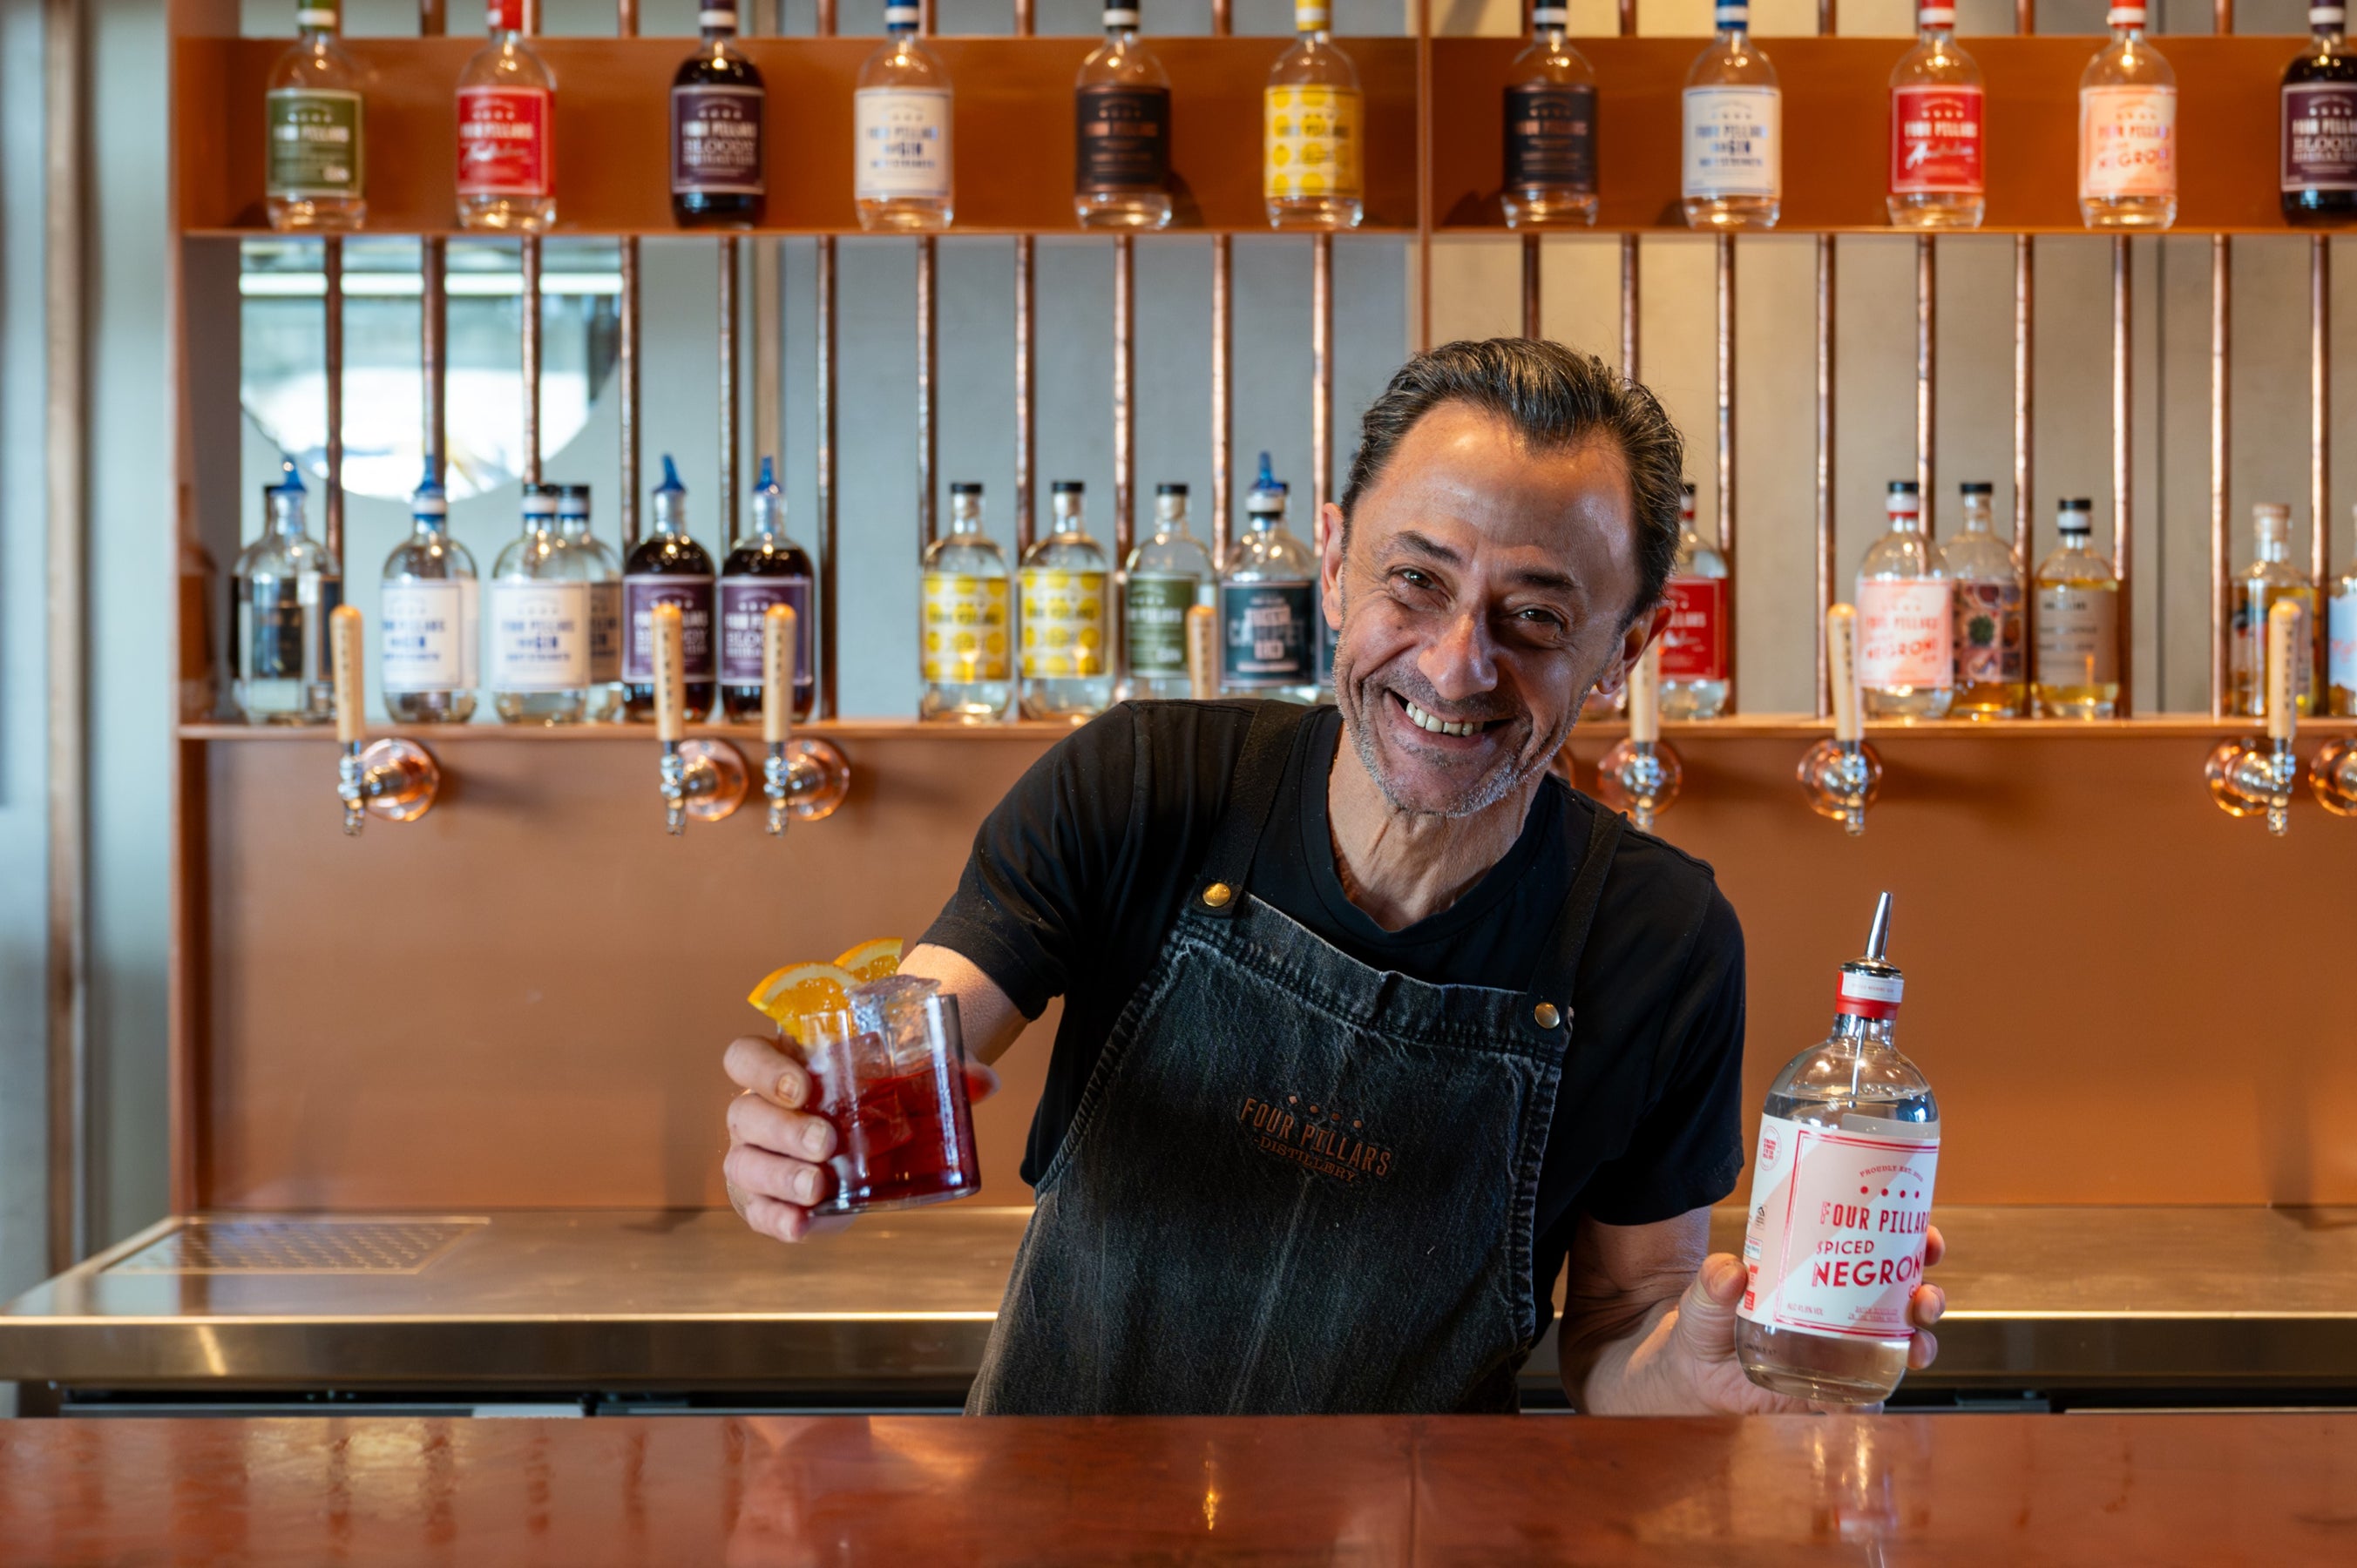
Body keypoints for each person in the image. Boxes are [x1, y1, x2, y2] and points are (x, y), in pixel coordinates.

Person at [721, 338, 1946, 1414]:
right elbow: (924, 1030)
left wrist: (1708, 1376)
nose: (1457, 667)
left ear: (1624, 651)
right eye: (1416, 581)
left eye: (1533, 619)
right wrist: (808, 1126)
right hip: (1058, 1529)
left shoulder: (1659, 940)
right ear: (1335, 552)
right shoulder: (1143, 783)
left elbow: (1624, 1330)